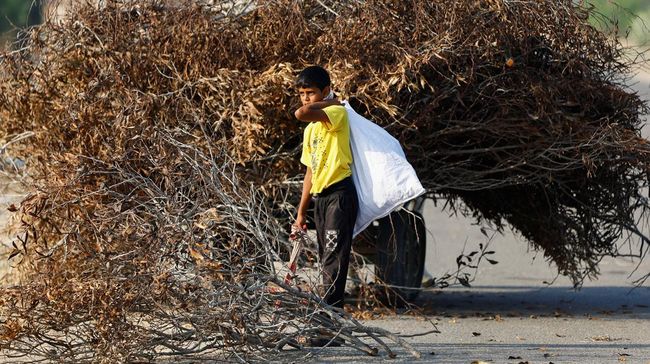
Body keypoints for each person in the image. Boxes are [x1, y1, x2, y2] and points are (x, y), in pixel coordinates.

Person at [292, 65, 359, 312]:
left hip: (339, 196)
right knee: (325, 259)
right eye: (302, 93)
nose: (306, 98)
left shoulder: (337, 114)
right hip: (321, 200)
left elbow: (302, 112)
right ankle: (331, 317)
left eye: (310, 92)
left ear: (326, 91)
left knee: (333, 258)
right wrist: (301, 214)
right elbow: (310, 172)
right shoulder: (311, 130)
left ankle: (330, 322)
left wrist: (335, 102)